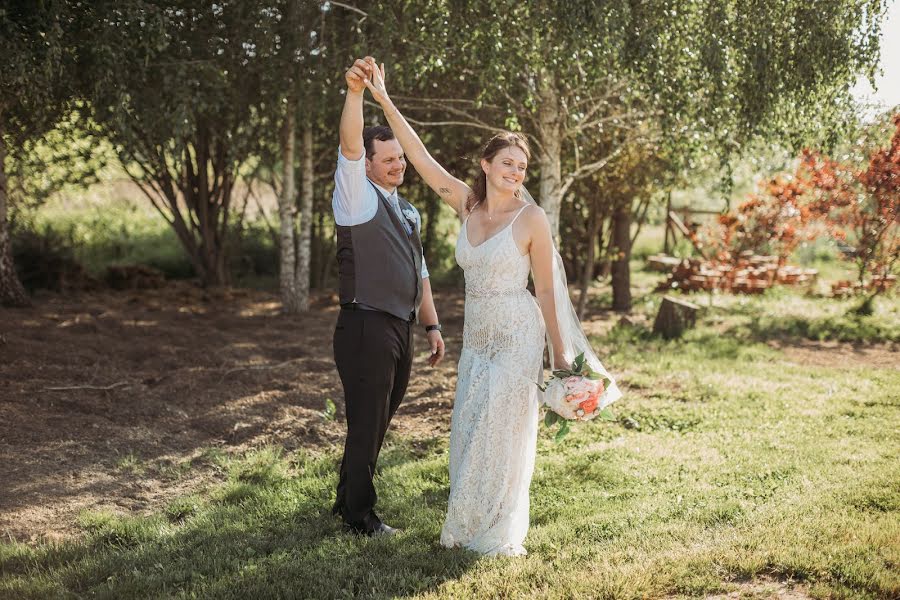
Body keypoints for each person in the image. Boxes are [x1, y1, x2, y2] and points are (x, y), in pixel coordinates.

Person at [359, 56, 617, 557]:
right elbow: (422, 158)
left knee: (501, 431)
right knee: (470, 428)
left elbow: (545, 290)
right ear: (486, 165)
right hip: (476, 335)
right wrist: (385, 100)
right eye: (508, 163)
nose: (516, 172)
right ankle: (465, 527)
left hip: (519, 334)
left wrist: (561, 357)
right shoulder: (467, 204)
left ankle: (496, 534)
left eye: (522, 166)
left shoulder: (532, 219)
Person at [331, 57, 446, 537]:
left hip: (400, 327)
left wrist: (432, 325)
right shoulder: (356, 196)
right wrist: (357, 92)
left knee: (377, 422)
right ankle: (361, 517)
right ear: (370, 165)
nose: (399, 164)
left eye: (402, 157)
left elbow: (419, 272)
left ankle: (345, 503)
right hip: (365, 325)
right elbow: (350, 144)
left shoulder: (410, 211)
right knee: (366, 423)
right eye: (389, 158)